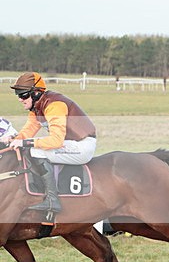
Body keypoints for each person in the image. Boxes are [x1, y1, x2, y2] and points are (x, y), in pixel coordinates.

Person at [0, 72, 97, 213]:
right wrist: (13, 140)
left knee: (35, 150)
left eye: (23, 95)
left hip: (81, 146)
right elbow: (27, 132)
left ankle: (53, 201)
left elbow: (56, 140)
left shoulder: (54, 105)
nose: (20, 99)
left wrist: (25, 143)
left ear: (37, 93)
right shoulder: (36, 108)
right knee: (29, 147)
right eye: (18, 95)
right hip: (68, 144)